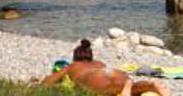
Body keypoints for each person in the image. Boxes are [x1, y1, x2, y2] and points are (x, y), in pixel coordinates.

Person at [41, 39, 170, 96]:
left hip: (94, 77)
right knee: (128, 85)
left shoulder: (72, 66)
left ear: (75, 57)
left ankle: (129, 88)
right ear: (90, 56)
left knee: (110, 89)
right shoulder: (99, 63)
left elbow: (47, 83)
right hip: (112, 72)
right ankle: (150, 85)